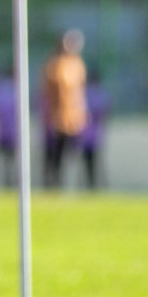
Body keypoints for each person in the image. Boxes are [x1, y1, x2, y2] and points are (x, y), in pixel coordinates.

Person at [41, 30, 88, 188]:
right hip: (57, 117)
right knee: (55, 154)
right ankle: (53, 183)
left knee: (75, 153)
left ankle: (73, 185)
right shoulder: (54, 64)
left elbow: (79, 92)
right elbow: (50, 93)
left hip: (74, 117)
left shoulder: (77, 64)